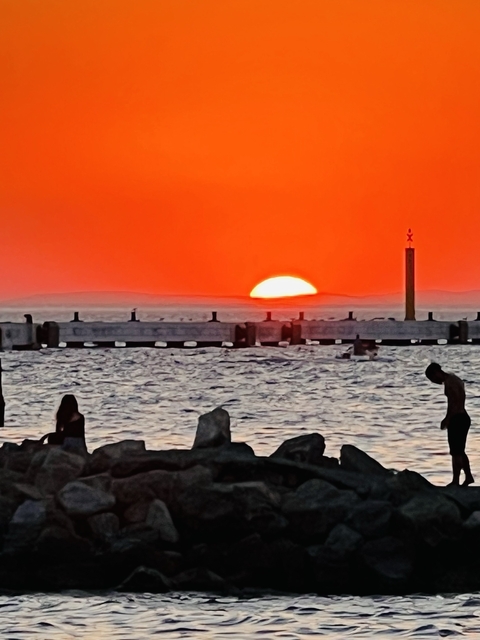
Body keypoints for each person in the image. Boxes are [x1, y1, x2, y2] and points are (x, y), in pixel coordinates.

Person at [425, 363, 474, 486]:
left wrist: (447, 418)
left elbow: (454, 402)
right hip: (463, 417)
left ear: (436, 373)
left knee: (456, 452)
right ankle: (467, 476)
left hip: (457, 418)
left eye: (432, 379)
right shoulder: (455, 379)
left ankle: (456, 480)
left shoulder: (450, 382)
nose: (434, 382)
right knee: (459, 451)